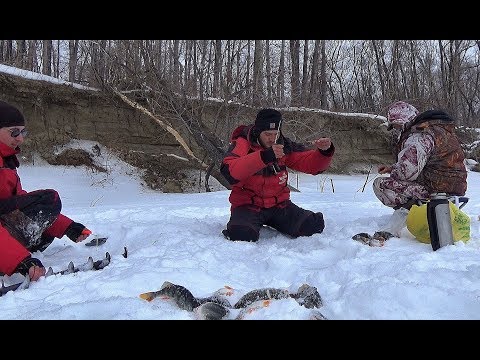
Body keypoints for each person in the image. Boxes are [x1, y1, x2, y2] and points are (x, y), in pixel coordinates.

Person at [0, 100, 92, 282]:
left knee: (46, 204)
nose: (20, 138)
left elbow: (19, 203)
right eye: (14, 132)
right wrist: (20, 261)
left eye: (22, 131)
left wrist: (67, 227)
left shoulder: (6, 164)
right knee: (47, 200)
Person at [220, 108, 335, 242]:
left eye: (276, 133)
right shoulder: (242, 143)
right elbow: (229, 171)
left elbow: (308, 164)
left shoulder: (283, 144)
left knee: (313, 226)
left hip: (279, 205)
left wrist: (324, 152)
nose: (272, 138)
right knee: (242, 235)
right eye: (267, 134)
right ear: (258, 132)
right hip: (248, 205)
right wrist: (264, 157)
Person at [372, 100, 467, 236]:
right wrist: (391, 168)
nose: (397, 130)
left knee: (380, 185)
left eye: (397, 126)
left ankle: (414, 213)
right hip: (454, 188)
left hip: (435, 192)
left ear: (404, 121)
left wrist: (394, 172)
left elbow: (407, 173)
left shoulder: (419, 135)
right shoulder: (438, 129)